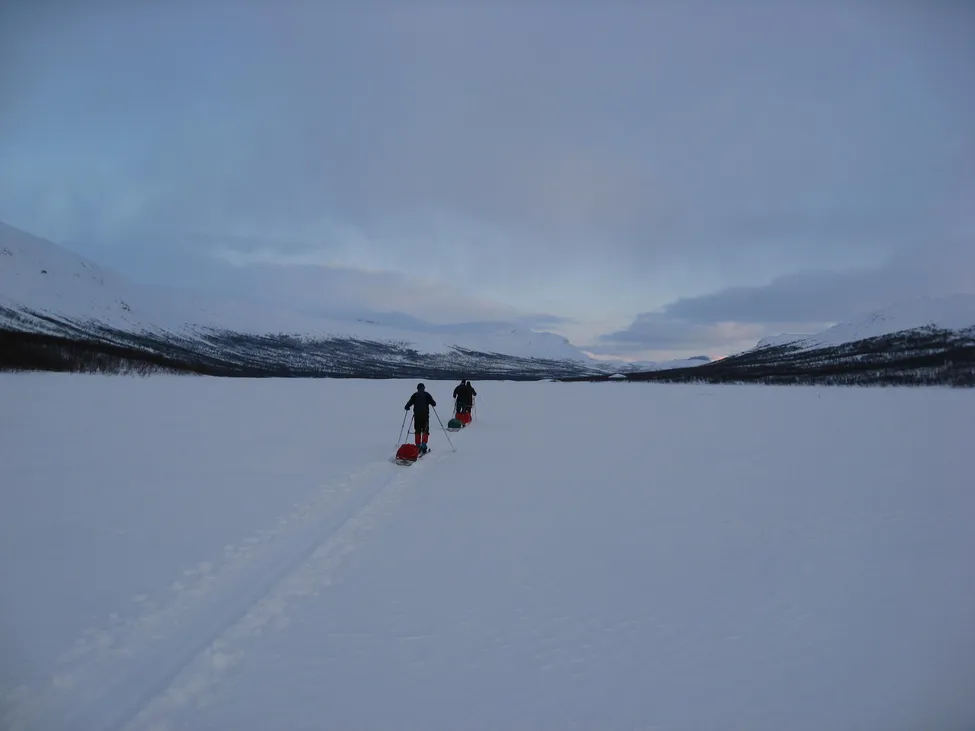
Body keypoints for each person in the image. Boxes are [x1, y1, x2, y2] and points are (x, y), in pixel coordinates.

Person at [405, 382, 437, 452]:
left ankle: (417, 445)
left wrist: (407, 407)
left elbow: (409, 403)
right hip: (425, 417)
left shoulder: (415, 395)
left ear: (417, 389)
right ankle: (424, 445)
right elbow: (434, 403)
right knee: (425, 431)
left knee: (417, 431)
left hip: (417, 417)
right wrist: (431, 403)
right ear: (424, 388)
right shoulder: (427, 395)